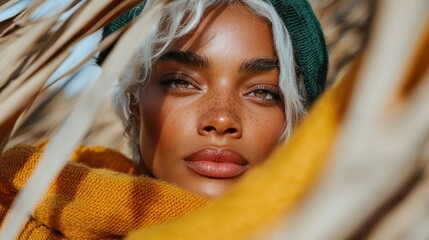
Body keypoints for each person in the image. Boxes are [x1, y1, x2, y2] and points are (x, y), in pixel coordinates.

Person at [0, 0, 328, 238]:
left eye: (263, 92)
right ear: (134, 105)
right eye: (181, 83)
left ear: (297, 122)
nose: (222, 118)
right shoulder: (14, 212)